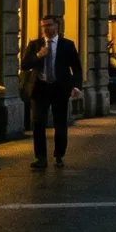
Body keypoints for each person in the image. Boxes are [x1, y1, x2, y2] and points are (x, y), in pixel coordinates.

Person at [22, 14, 81, 169]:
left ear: (57, 26)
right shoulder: (35, 45)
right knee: (38, 123)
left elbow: (76, 68)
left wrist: (75, 87)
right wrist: (38, 56)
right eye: (43, 26)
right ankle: (40, 158)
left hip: (59, 89)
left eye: (49, 25)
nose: (46, 29)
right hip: (40, 88)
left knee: (60, 123)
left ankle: (59, 156)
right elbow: (24, 65)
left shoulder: (67, 45)